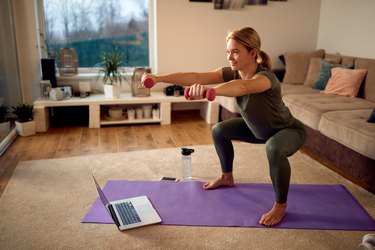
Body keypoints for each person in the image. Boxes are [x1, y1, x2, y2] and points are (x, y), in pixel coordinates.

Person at [141, 27, 306, 226]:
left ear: (253, 52)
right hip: (258, 130)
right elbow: (196, 77)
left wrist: (210, 91)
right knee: (219, 130)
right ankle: (226, 177)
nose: (230, 57)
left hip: (287, 131)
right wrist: (159, 78)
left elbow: (244, 87)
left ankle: (280, 206)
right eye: (228, 52)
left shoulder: (266, 78)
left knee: (274, 147)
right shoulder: (232, 73)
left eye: (236, 52)